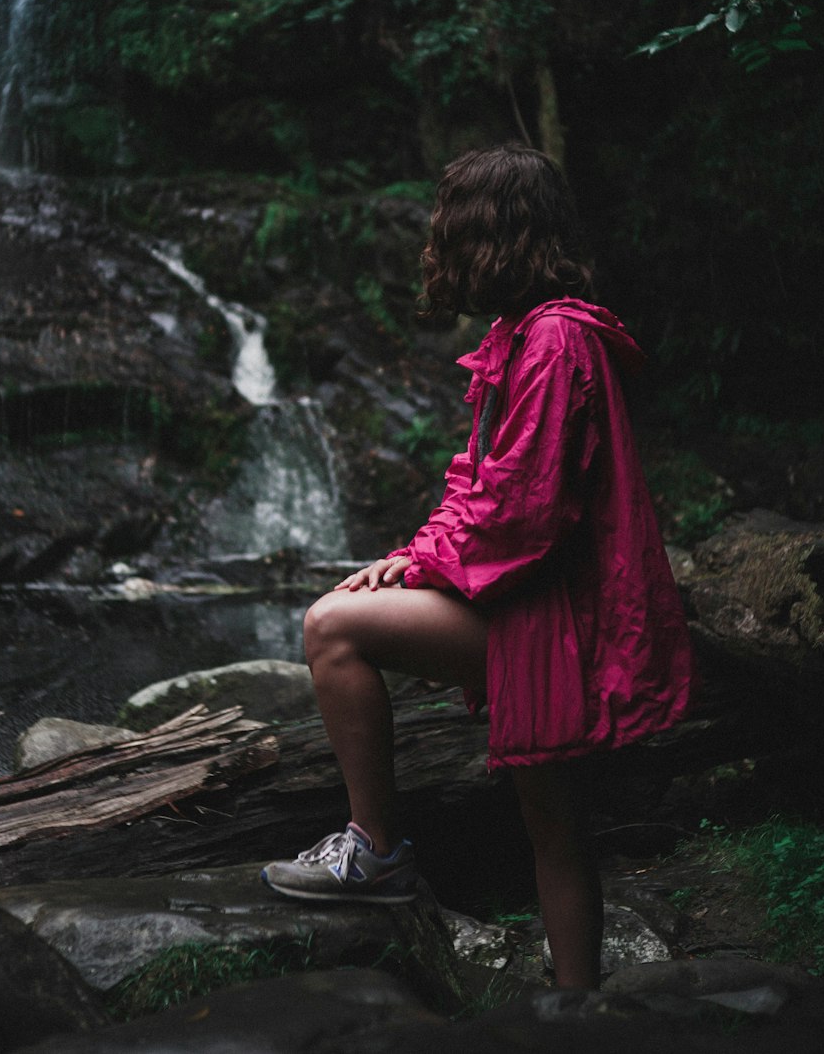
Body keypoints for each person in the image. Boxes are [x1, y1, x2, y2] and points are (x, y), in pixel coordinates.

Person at [260, 144, 695, 990]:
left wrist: (423, 564)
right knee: (555, 831)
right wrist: (410, 557)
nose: (438, 242)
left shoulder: (557, 339)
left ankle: (376, 851)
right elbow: (486, 487)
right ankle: (578, 1007)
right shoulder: (527, 333)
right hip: (540, 602)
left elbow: (526, 511)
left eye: (450, 224)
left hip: (554, 615)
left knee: (331, 627)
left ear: (493, 232)